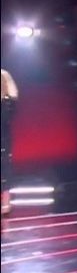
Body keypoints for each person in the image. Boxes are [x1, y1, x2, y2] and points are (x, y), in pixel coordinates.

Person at [1, 68, 19, 215]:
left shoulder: (7, 104)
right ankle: (5, 204)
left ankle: (6, 204)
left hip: (3, 138)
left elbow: (7, 116)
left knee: (5, 169)